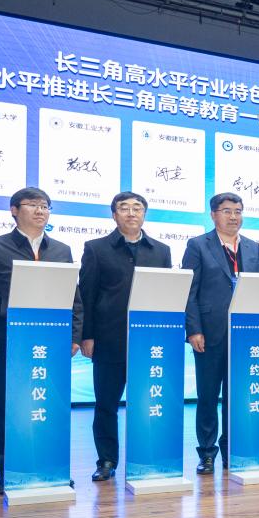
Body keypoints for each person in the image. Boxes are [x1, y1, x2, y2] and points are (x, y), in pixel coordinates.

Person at [0, 187, 82, 495]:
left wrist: (74, 336)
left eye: (45, 206)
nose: (40, 211)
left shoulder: (61, 250)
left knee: (49, 402)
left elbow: (74, 298)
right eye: (33, 205)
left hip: (52, 342)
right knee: (7, 405)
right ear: (14, 210)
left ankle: (52, 466)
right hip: (8, 341)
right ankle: (7, 468)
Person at [78, 192, 172, 482]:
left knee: (149, 402)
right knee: (106, 404)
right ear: (114, 214)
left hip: (149, 342)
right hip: (109, 339)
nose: (132, 213)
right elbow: (86, 295)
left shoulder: (161, 250)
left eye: (137, 208)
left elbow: (167, 295)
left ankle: (149, 457)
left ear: (144, 214)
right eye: (124, 208)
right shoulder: (96, 248)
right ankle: (107, 460)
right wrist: (87, 335)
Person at [183, 193, 259, 475]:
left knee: (238, 395)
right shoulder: (198, 245)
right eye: (227, 211)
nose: (233, 216)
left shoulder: (253, 248)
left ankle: (233, 449)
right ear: (213, 215)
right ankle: (207, 453)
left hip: (244, 335)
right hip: (209, 333)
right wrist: (194, 329)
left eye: (238, 211)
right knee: (208, 396)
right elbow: (189, 292)